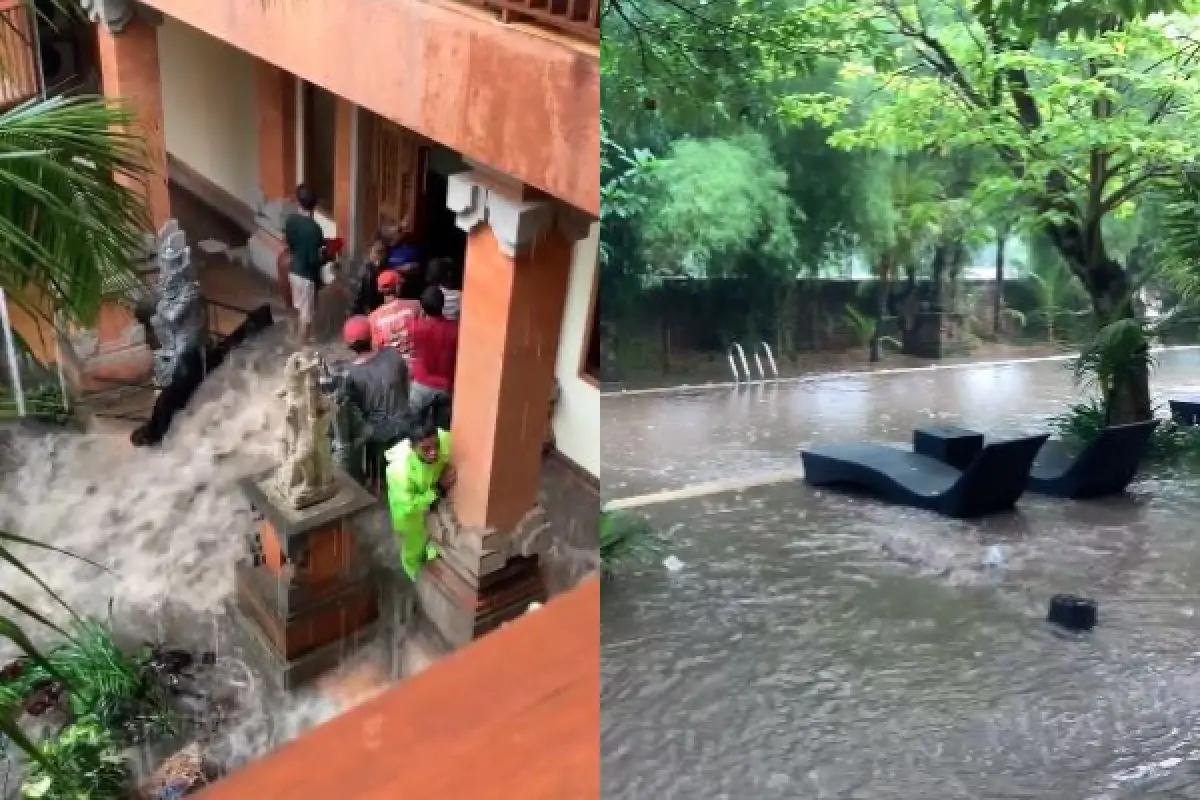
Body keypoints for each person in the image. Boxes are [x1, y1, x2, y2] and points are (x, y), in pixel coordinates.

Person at [341, 316, 413, 488]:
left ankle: (378, 487)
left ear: (349, 345)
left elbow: (354, 410)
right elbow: (406, 384)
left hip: (378, 433)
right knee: (405, 467)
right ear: (371, 336)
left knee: (379, 475)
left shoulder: (351, 375)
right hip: (405, 423)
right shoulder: (392, 354)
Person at [384, 417, 455, 581]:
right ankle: (417, 586)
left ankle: (432, 578)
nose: (434, 452)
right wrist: (438, 490)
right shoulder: (398, 470)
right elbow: (408, 505)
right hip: (411, 518)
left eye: (436, 445)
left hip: (434, 506)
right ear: (412, 447)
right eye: (426, 449)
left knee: (436, 545)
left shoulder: (446, 439)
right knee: (414, 554)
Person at [409, 286, 459, 427]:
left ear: (423, 307)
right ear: (442, 305)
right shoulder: (455, 330)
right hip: (446, 386)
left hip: (421, 384)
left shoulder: (415, 327)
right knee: (443, 429)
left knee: (414, 427)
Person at [283, 184, 326, 346]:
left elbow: (290, 243)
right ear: (315, 204)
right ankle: (302, 346)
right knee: (306, 316)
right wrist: (326, 255)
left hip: (293, 270)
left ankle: (297, 336)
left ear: (298, 201)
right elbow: (314, 260)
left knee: (298, 307)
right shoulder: (315, 229)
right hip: (306, 276)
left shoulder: (291, 220)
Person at [368, 270, 421, 356]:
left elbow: (376, 349)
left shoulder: (372, 318)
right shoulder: (415, 306)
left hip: (390, 366)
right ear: (397, 287)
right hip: (415, 362)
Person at [352, 238, 388, 316]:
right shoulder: (365, 271)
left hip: (378, 310)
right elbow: (358, 295)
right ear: (370, 252)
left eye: (383, 252)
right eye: (378, 252)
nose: (381, 256)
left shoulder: (383, 269)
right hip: (366, 312)